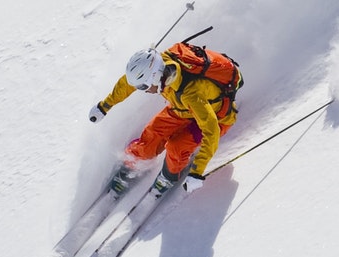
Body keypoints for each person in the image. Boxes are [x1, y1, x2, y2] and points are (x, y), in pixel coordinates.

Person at [89, 40, 242, 196]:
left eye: (144, 86)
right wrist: (104, 106)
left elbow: (211, 130)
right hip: (182, 109)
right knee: (152, 135)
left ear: (155, 78)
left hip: (217, 118)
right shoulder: (162, 65)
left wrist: (197, 172)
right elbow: (128, 83)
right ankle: (132, 164)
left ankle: (170, 175)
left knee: (177, 146)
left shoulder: (190, 92)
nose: (144, 90)